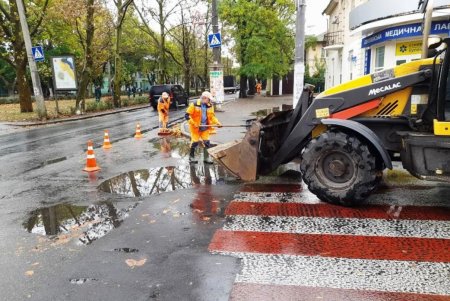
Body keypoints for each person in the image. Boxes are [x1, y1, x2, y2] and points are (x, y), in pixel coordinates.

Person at [185, 91, 221, 164]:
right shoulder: (194, 104)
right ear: (204, 98)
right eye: (209, 99)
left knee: (207, 142)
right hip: (195, 128)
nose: (210, 101)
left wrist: (217, 122)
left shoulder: (210, 106)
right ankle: (191, 157)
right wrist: (193, 123)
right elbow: (187, 115)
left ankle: (206, 158)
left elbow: (212, 116)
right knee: (194, 142)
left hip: (205, 127)